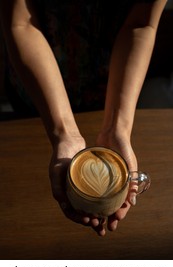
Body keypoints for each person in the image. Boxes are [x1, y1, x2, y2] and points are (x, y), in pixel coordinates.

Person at [0, 0, 167, 236]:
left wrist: (116, 128)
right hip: (37, 93)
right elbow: (20, 23)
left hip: (113, 85)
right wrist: (64, 133)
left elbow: (141, 24)